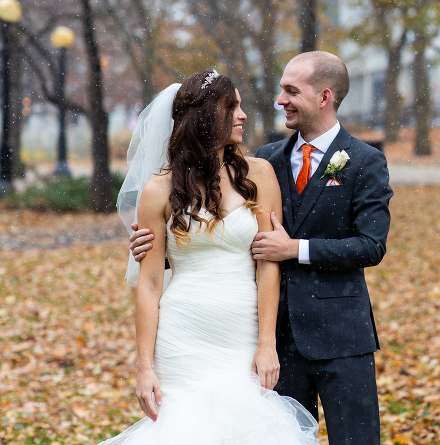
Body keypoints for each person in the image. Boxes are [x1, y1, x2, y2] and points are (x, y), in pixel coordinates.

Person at [131, 52, 393, 445]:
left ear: (324, 97)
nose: (279, 101)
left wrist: (295, 249)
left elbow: (371, 245)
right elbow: (215, 242)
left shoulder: (363, 162)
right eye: (280, 90)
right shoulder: (267, 160)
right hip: (269, 337)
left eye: (291, 91)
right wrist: (152, 246)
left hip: (339, 331)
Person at [107, 71, 318, 444]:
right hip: (182, 334)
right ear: (205, 116)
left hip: (242, 330)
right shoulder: (158, 190)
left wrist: (266, 342)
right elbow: (150, 285)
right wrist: (143, 367)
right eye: (232, 107)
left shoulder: (260, 174)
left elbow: (268, 266)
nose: (243, 115)